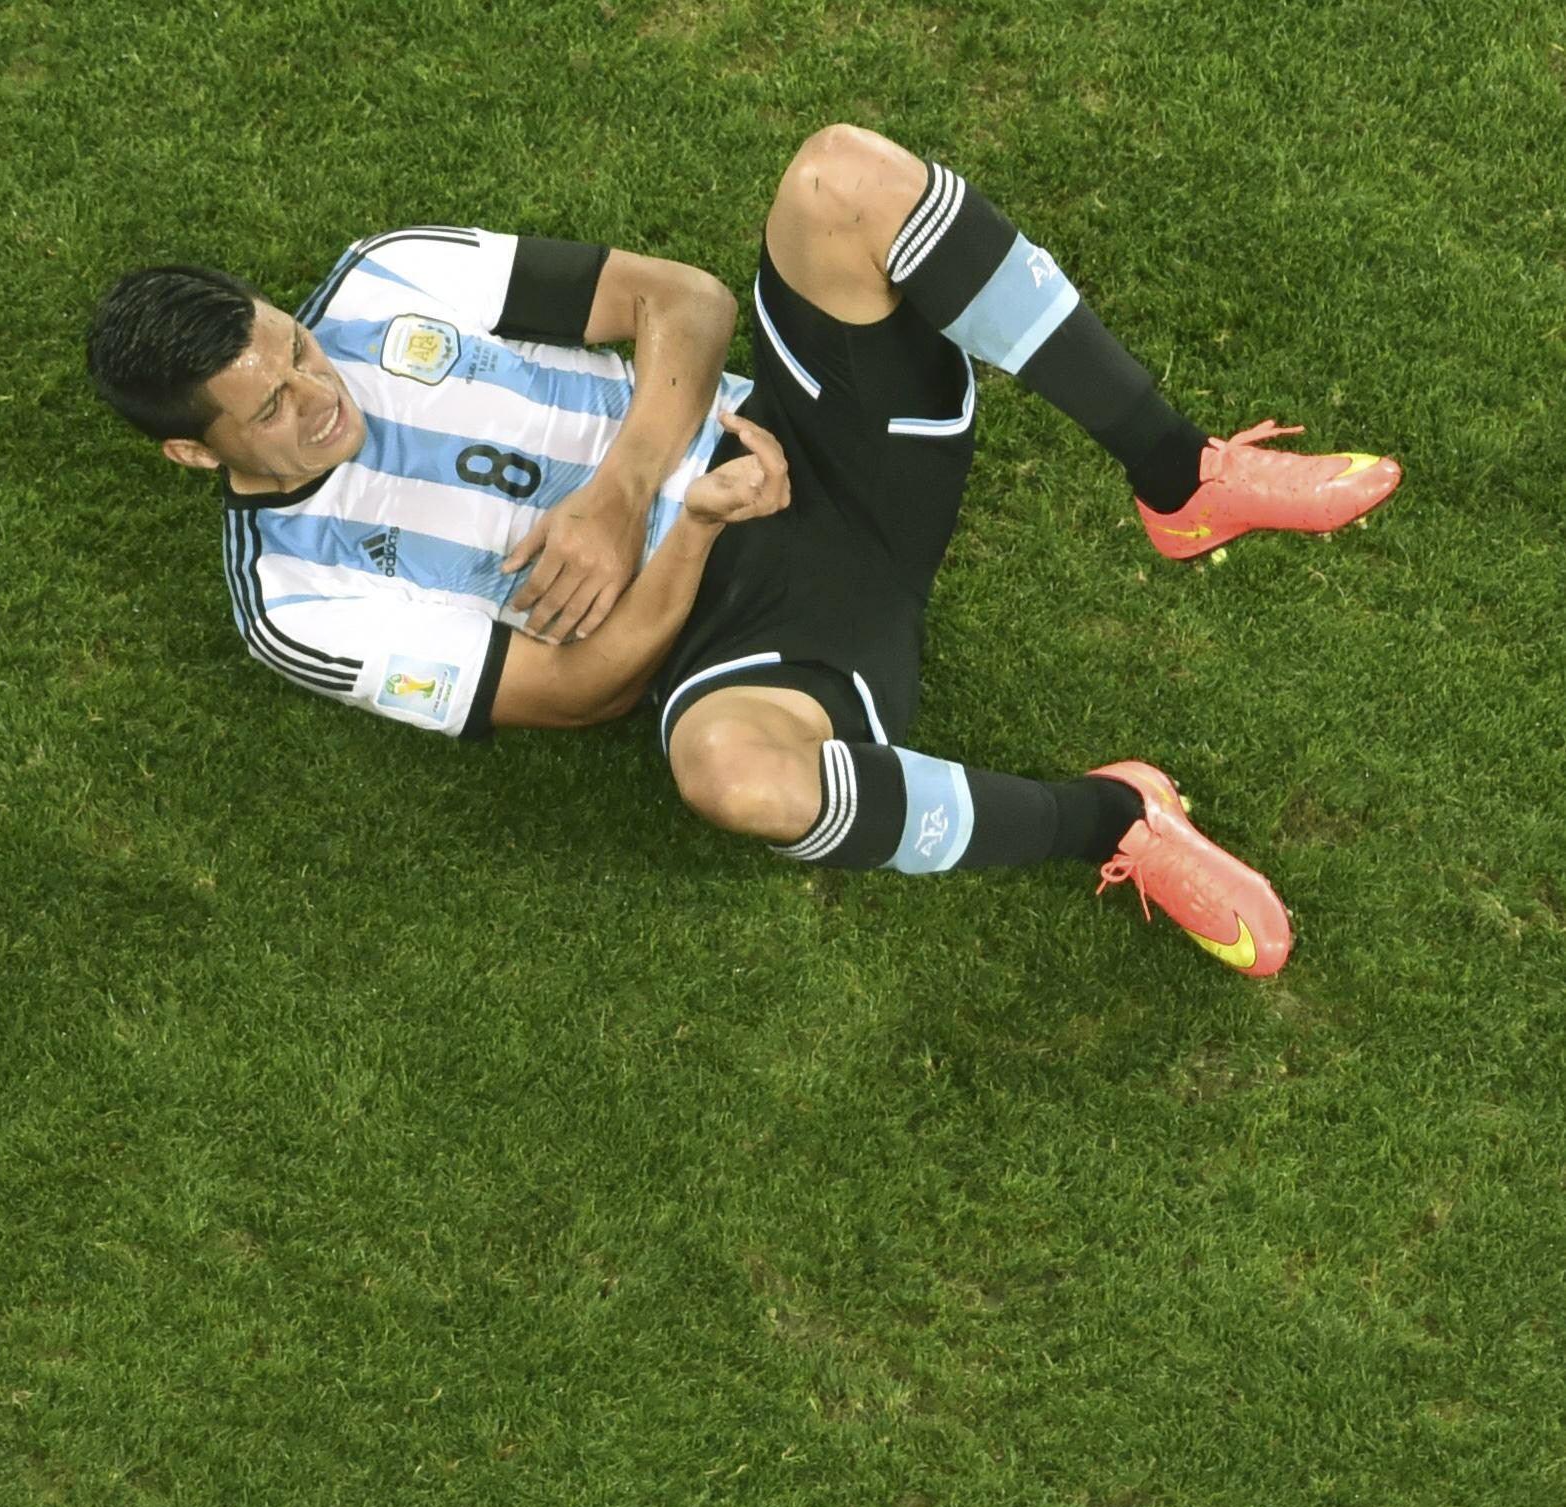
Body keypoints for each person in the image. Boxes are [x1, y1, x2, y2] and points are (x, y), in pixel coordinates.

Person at [85, 125, 1402, 975]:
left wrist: (633, 482)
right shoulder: (297, 605)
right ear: (192, 454)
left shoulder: (385, 279)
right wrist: (685, 530)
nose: (318, 390)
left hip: (813, 450)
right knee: (733, 777)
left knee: (840, 180)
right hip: (748, 642)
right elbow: (583, 692)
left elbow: (684, 299)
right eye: (269, 408)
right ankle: (1119, 816)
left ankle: (1181, 477)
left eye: (296, 351)